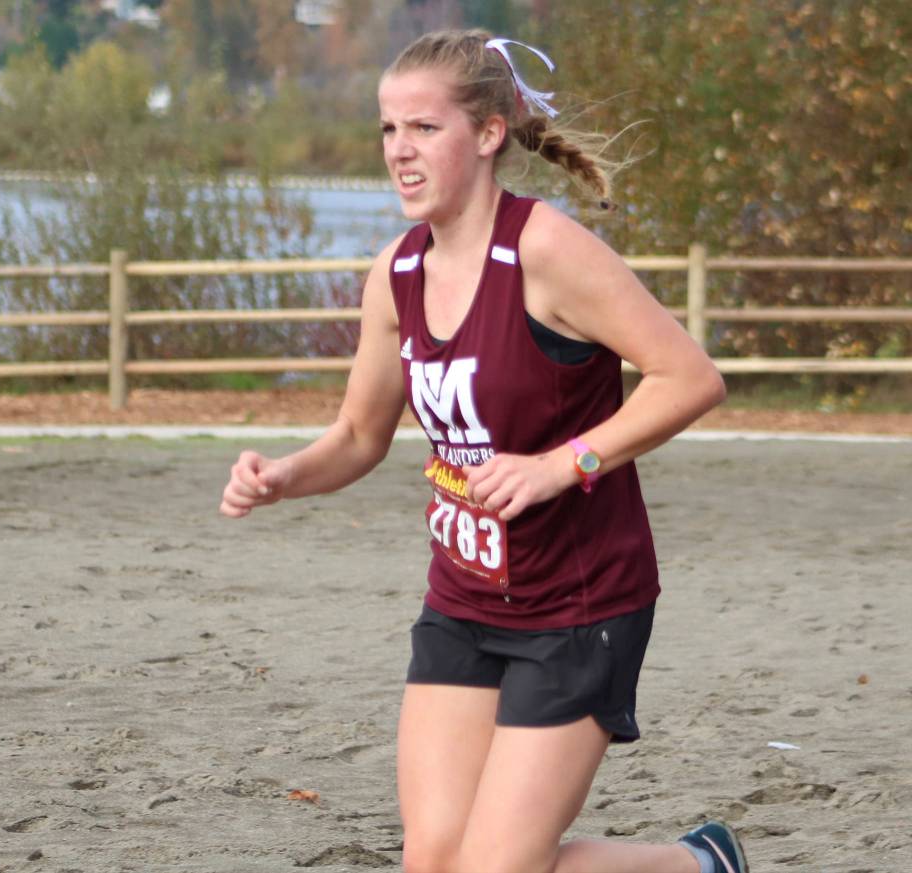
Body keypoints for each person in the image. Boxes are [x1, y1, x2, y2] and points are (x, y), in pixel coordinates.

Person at [220, 28, 747, 873]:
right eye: (389, 129)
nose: (400, 150)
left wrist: (560, 464)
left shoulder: (544, 250)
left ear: (489, 133)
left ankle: (697, 865)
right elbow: (359, 435)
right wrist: (284, 475)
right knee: (433, 861)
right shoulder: (396, 275)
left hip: (578, 606)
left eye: (424, 128)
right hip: (463, 601)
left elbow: (689, 376)